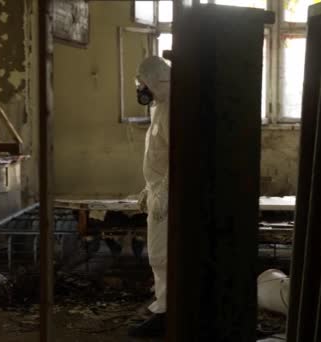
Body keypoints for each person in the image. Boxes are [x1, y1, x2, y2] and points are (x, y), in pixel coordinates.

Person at [129, 56, 171, 338]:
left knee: (161, 255)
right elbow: (158, 156)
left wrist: (165, 192)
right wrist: (149, 188)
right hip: (158, 192)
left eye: (141, 82)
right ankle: (163, 306)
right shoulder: (159, 107)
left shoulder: (172, 110)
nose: (139, 88)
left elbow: (180, 156)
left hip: (167, 196)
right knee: (158, 255)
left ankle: (166, 314)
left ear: (153, 81)